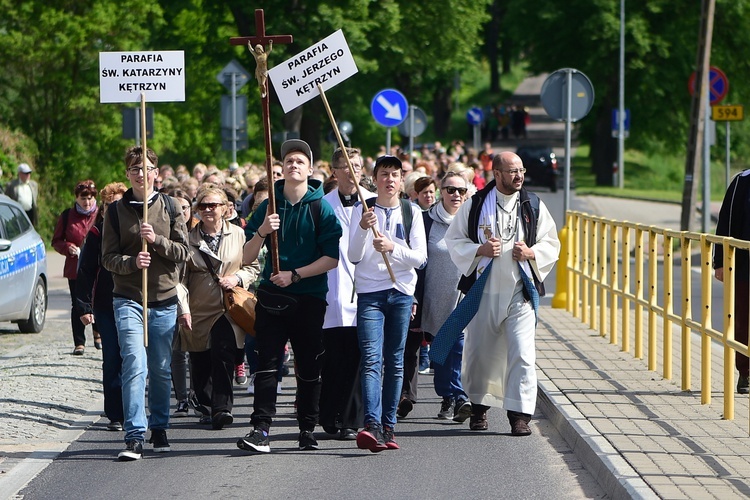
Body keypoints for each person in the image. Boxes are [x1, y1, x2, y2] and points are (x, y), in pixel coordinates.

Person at [441, 151, 559, 435]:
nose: (519, 176)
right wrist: (479, 250)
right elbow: (453, 240)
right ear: (497, 174)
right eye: (512, 171)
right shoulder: (477, 204)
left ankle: (519, 416)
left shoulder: (533, 204)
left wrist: (531, 252)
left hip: (520, 293)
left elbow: (551, 242)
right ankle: (479, 410)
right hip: (485, 294)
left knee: (523, 354)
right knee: (481, 354)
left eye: (521, 170)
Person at [237, 139, 341, 453]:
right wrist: (261, 232)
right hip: (271, 297)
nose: (293, 165)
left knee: (309, 366)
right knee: (268, 363)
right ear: (281, 168)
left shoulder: (321, 207)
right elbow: (244, 256)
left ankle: (307, 428)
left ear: (310, 169)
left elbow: (331, 258)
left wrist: (294, 275)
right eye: (288, 161)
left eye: (299, 160)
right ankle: (261, 429)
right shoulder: (269, 207)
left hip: (309, 297)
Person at [101, 146, 188, 461]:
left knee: (161, 369)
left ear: (157, 173)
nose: (141, 174)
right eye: (135, 169)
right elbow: (107, 258)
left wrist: (158, 242)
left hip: (164, 299)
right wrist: (131, 262)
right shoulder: (115, 212)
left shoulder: (171, 206)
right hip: (128, 299)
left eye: (146, 168)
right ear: (127, 175)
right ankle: (134, 435)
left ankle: (159, 427)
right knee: (134, 365)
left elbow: (184, 252)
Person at [348, 155, 427, 452]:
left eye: (395, 174)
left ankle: (389, 425)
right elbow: (353, 255)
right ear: (375, 178)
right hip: (370, 293)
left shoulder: (412, 212)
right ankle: (372, 424)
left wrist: (393, 248)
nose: (390, 180)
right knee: (371, 359)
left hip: (401, 293)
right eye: (384, 174)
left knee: (395, 361)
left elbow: (420, 257)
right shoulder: (362, 209)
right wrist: (363, 229)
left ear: (401, 179)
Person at [179, 185, 260, 430]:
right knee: (201, 360)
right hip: (198, 308)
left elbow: (252, 267)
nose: (208, 210)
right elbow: (180, 280)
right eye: (203, 206)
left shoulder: (238, 234)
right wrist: (183, 309)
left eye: (213, 205)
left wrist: (237, 279)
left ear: (225, 208)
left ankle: (222, 408)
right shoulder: (187, 238)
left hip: (228, 307)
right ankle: (204, 402)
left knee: (223, 355)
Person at [319, 147, 375, 441]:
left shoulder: (374, 204)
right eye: (347, 166)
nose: (353, 170)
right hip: (331, 289)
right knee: (332, 358)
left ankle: (351, 418)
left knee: (357, 356)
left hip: (365, 287)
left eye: (357, 165)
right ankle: (329, 414)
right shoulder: (322, 204)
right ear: (335, 172)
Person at [418, 172, 472, 420]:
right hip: (433, 296)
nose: (456, 195)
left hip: (463, 295)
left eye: (461, 191)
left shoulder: (473, 222)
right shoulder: (426, 221)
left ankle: (460, 396)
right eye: (451, 190)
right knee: (439, 350)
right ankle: (447, 396)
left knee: (458, 345)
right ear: (441, 191)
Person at [75, 181, 128, 431]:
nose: (114, 209)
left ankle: (134, 409)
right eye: (109, 206)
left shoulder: (135, 229)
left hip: (134, 300)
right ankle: (115, 414)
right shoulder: (97, 233)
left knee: (134, 358)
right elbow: (85, 271)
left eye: (118, 204)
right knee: (112, 359)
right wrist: (84, 306)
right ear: (104, 209)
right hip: (106, 305)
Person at [52, 180, 99, 355]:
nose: (87, 202)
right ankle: (79, 342)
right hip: (75, 266)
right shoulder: (67, 216)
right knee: (77, 304)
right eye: (83, 198)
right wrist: (68, 247)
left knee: (97, 300)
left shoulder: (101, 214)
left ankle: (98, 333)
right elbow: (56, 241)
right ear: (76, 198)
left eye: (91, 198)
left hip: (96, 265)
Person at [714, 169, 750, 393]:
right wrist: (720, 261)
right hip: (745, 265)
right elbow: (726, 222)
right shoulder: (742, 182)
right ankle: (745, 373)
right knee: (744, 319)